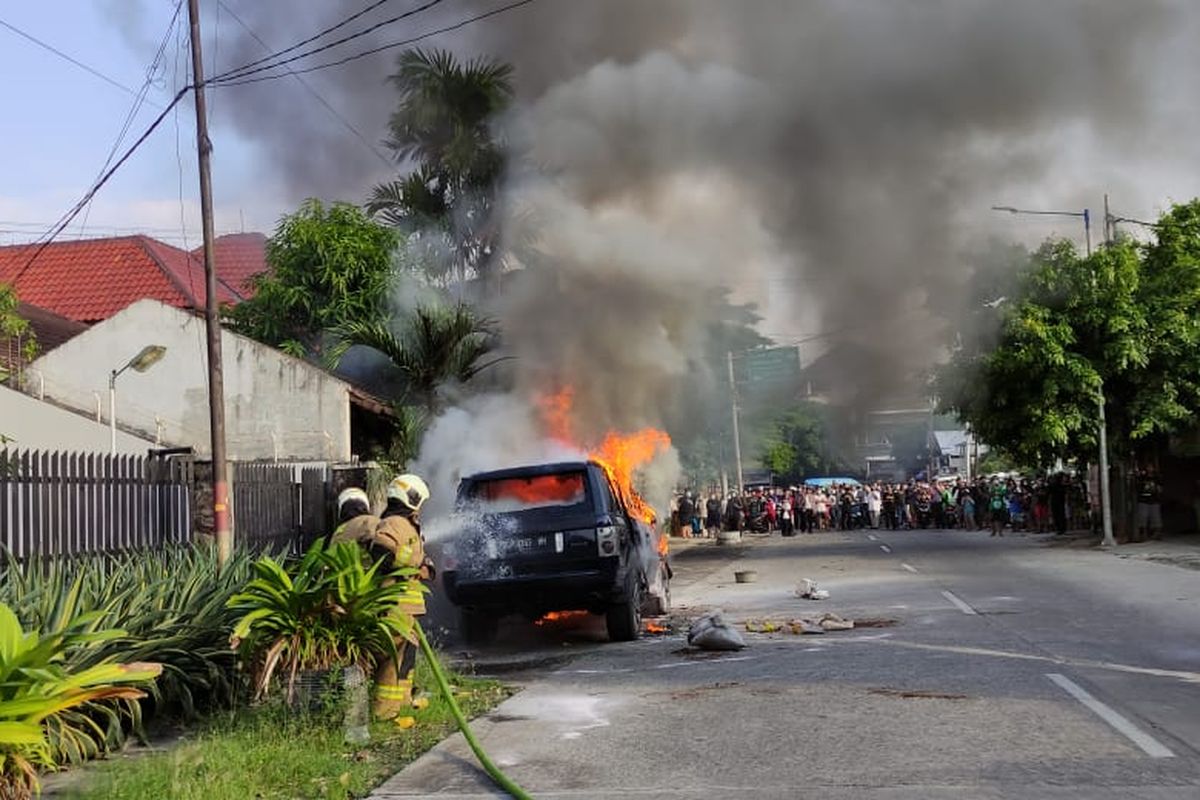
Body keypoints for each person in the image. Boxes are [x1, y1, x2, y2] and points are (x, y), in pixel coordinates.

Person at [373, 475, 434, 720]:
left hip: (407, 607)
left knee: (406, 657)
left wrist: (424, 566)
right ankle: (385, 712)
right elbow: (380, 553)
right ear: (411, 498)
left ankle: (403, 703)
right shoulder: (394, 523)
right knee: (392, 659)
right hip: (395, 605)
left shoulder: (406, 524)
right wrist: (414, 560)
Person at [1135, 467, 1163, 541]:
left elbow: (1160, 488)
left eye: (1151, 467)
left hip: (1154, 500)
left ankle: (1156, 534)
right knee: (1142, 517)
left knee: (1156, 518)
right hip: (1144, 500)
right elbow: (1138, 487)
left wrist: (1158, 492)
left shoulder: (1157, 478)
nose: (1150, 469)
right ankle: (1143, 535)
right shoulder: (1142, 478)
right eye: (1148, 467)